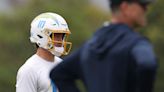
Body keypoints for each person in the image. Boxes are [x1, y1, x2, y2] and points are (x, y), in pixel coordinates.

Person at [50, 0, 158, 92]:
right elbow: (147, 64)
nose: (146, 9)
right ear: (125, 7)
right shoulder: (136, 42)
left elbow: (58, 74)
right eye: (142, 5)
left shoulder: (91, 44)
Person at [16, 12, 72, 92]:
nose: (60, 41)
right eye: (56, 35)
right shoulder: (29, 70)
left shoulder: (61, 64)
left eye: (62, 36)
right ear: (40, 36)